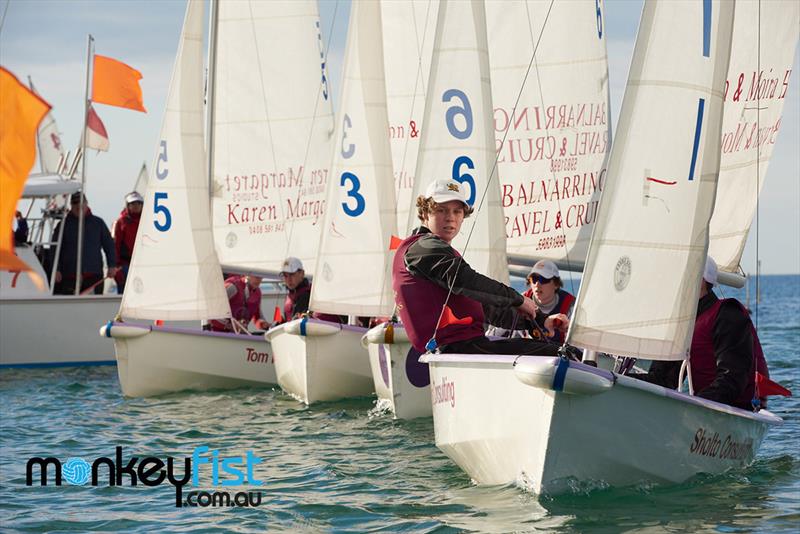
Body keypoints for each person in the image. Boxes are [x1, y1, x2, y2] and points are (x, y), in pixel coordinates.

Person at [392, 179, 568, 355]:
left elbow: (485, 308)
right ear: (424, 213)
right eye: (441, 210)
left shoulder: (434, 250)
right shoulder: (423, 249)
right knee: (560, 355)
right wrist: (518, 299)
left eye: (457, 211)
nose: (450, 217)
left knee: (557, 351)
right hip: (457, 351)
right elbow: (465, 281)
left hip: (463, 350)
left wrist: (540, 321)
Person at [639, 257, 770, 410]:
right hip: (703, 410)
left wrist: (692, 407)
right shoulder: (684, 322)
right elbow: (663, 379)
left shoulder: (727, 315)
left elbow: (732, 379)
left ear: (700, 281)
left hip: (735, 411)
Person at [51, 193, 117, 295]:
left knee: (95, 308)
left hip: (94, 276)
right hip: (69, 276)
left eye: (81, 203)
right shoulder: (63, 225)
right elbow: (54, 249)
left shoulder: (98, 223)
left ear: (86, 203)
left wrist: (112, 265)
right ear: (71, 205)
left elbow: (109, 246)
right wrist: (56, 269)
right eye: (75, 203)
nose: (79, 206)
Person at [522, 260, 575, 343]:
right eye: (534, 279)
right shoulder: (520, 302)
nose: (537, 284)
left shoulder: (571, 307)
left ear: (556, 284)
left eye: (543, 279)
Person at [278, 257, 344, 324]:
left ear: (302, 273)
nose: (289, 279)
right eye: (285, 276)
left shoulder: (309, 295)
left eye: (292, 274)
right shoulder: (290, 296)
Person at [112, 191, 143, 293]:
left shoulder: (146, 220)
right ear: (128, 205)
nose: (136, 206)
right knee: (124, 294)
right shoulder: (120, 222)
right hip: (125, 265)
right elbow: (115, 245)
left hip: (141, 264)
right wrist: (116, 267)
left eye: (139, 203)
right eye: (133, 204)